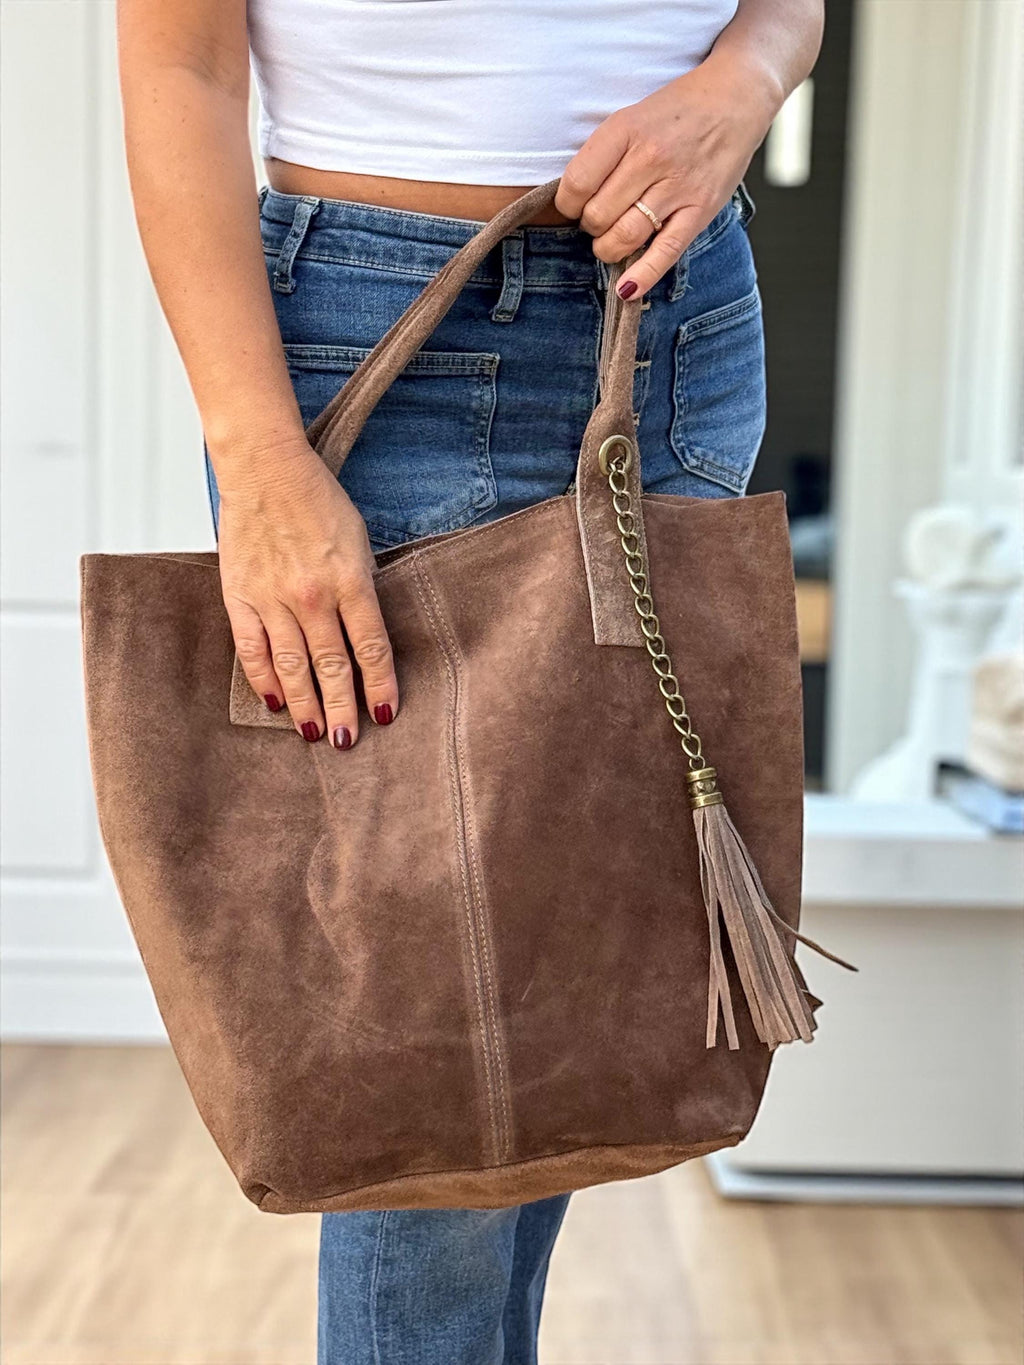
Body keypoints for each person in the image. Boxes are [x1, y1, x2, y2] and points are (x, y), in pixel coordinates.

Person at [115, 1, 823, 1360]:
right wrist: (258, 455)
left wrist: (743, 81)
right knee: (422, 1038)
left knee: (545, 972)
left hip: (674, 326)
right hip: (384, 338)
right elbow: (177, 64)